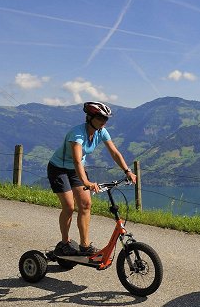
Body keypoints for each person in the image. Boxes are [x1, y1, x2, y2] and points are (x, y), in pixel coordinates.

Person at [47, 101, 137, 256]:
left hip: (76, 170)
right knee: (69, 206)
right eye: (101, 118)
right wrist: (86, 182)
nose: (104, 122)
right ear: (89, 117)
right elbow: (76, 160)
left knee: (86, 204)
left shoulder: (101, 131)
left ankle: (84, 245)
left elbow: (114, 153)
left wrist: (127, 171)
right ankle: (64, 243)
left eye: (106, 119)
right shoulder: (78, 134)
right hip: (59, 169)